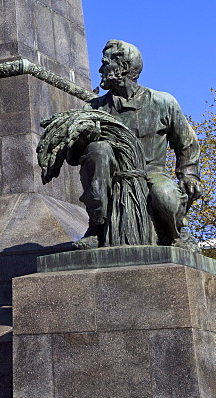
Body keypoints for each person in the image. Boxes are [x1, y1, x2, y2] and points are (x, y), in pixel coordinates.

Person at [74, 40, 201, 249]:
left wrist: (189, 175)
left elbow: (186, 143)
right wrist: (85, 139)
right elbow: (74, 154)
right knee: (97, 149)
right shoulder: (94, 109)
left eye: (105, 63)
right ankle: (96, 228)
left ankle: (177, 233)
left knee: (165, 195)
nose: (100, 69)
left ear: (123, 67)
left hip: (153, 173)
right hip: (113, 175)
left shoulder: (162, 102)